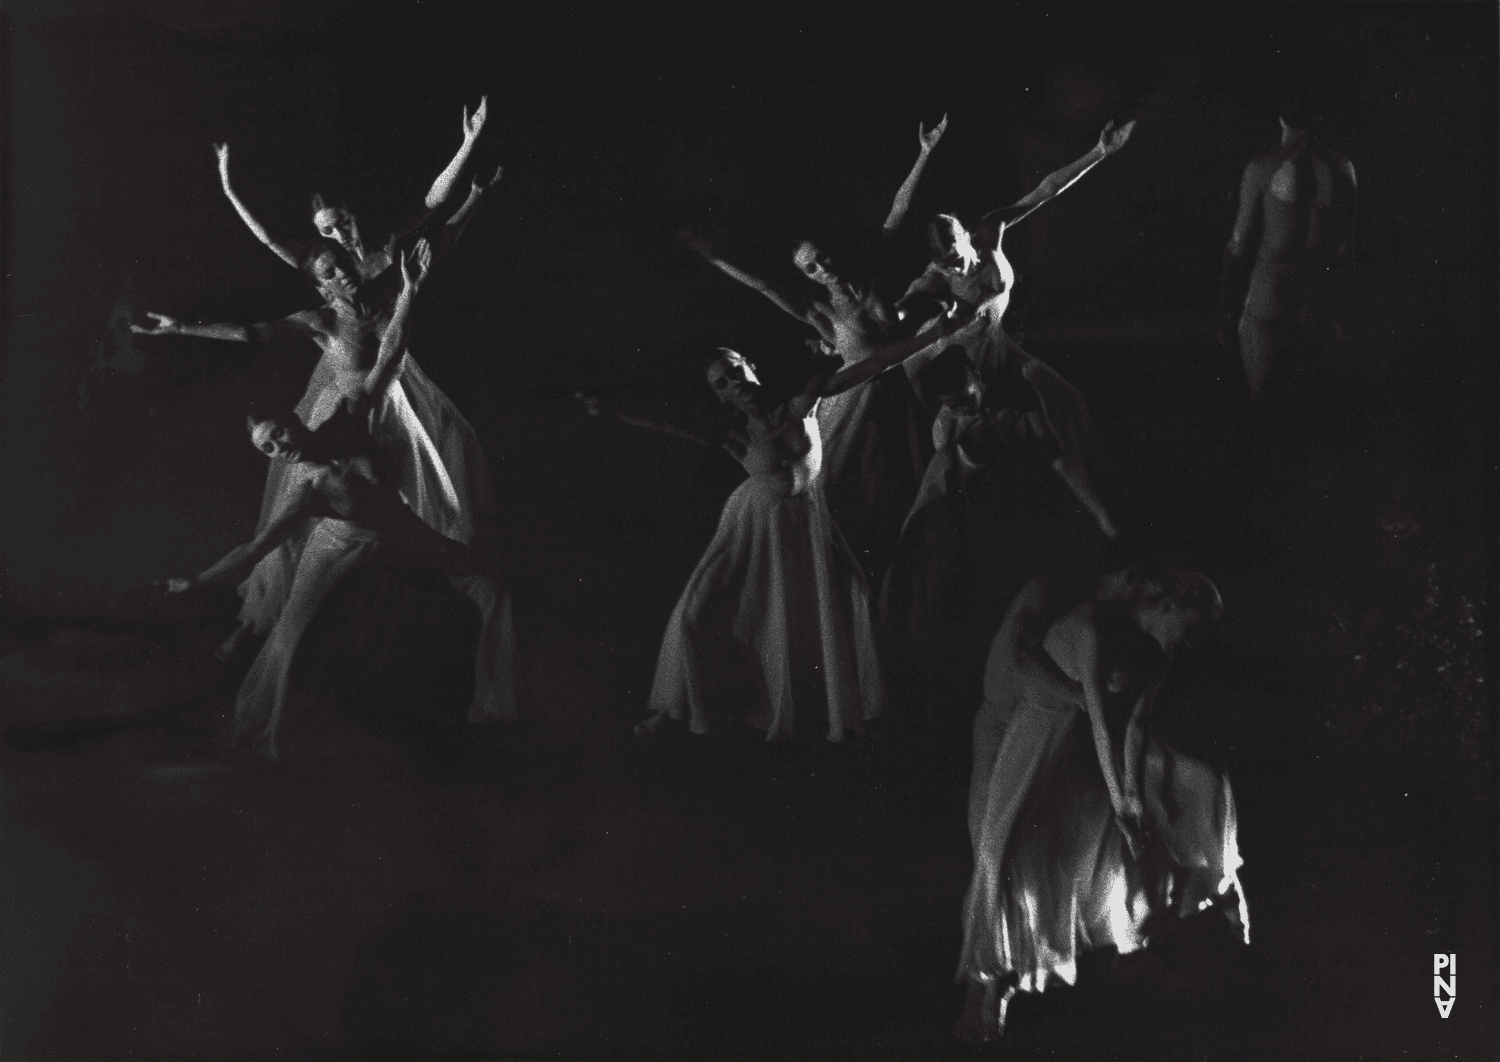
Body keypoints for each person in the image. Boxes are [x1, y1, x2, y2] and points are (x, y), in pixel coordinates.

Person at [133, 160, 503, 665]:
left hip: (387, 403)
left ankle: (425, 616)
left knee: (420, 509)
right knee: (300, 525)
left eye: (341, 229)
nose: (340, 261)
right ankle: (257, 623)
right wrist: (180, 328)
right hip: (345, 410)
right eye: (327, 250)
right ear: (320, 281)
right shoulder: (321, 311)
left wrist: (473, 179)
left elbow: (440, 232)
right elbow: (251, 327)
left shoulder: (383, 270)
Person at [161, 242, 516, 757]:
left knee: (493, 593)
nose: (278, 449)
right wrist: (195, 582)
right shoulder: (306, 490)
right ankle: (256, 728)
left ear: (296, 420)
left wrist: (411, 291)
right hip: (336, 545)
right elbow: (252, 551)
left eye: (279, 436)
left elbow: (390, 354)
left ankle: (492, 710)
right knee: (290, 631)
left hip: (401, 536)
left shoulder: (351, 419)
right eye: (268, 448)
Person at [581, 314, 963, 742]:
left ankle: (846, 710)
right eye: (721, 384)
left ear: (750, 366)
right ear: (720, 398)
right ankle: (676, 708)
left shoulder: (802, 403)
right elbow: (669, 424)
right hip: (752, 524)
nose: (733, 384)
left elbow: (872, 366)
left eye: (734, 372)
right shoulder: (736, 433)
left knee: (848, 604)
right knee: (697, 609)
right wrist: (613, 410)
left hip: (805, 521)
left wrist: (933, 334)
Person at [954, 571, 1248, 1043]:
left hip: (1077, 752)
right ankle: (981, 993)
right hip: (1036, 740)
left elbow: (1133, 732)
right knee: (1004, 857)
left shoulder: (1156, 655)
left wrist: (1129, 801)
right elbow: (1098, 719)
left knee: (1074, 859)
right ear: (1167, 607)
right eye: (1187, 628)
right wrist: (1118, 797)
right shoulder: (1090, 627)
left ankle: (1024, 983)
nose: (1187, 642)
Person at [680, 117, 950, 583]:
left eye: (822, 257)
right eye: (810, 268)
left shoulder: (871, 273)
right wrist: (714, 258)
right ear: (805, 276)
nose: (822, 268)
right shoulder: (819, 312)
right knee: (855, 497)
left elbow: (898, 210)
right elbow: (764, 285)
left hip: (905, 387)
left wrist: (924, 153)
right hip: (856, 403)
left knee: (921, 480)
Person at [214, 97, 492, 281]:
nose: (339, 235)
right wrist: (228, 190)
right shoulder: (323, 263)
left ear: (353, 215)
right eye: (326, 231)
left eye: (343, 224)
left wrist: (467, 144)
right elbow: (268, 238)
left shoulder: (384, 238)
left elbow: (432, 201)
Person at [1219, 111, 1357, 414]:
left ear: (1281, 120)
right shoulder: (1343, 170)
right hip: (1316, 316)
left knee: (1266, 420)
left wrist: (1226, 310)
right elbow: (1345, 253)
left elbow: (1238, 247)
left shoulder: (1263, 169)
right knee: (1310, 428)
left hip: (1268, 310)